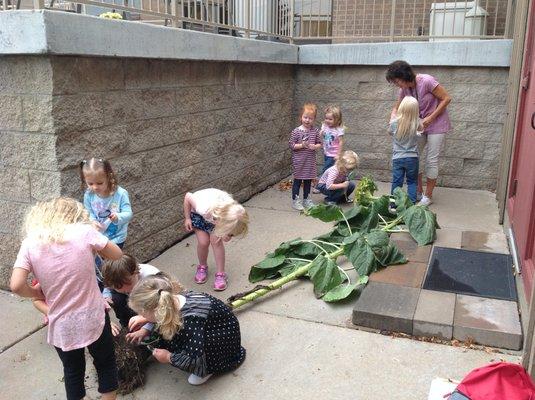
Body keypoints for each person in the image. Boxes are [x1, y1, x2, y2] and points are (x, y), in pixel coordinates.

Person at [10, 198, 123, 400]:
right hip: (93, 317)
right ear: (74, 215)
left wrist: (36, 293)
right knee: (105, 364)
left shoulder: (30, 243)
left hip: (62, 324)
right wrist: (95, 235)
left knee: (73, 373)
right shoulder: (83, 232)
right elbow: (117, 254)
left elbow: (16, 285)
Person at [128, 275, 246, 386]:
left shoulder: (189, 323)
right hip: (211, 331)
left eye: (142, 313)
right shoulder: (176, 300)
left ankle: (208, 370)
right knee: (163, 332)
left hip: (223, 346)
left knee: (191, 364)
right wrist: (146, 320)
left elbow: (194, 359)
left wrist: (169, 357)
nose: (141, 316)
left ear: (157, 310)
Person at [386, 60, 452, 206]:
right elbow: (396, 107)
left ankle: (428, 196)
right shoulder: (403, 89)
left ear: (403, 76)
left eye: (396, 80)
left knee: (431, 160)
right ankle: (418, 192)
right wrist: (392, 119)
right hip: (419, 126)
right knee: (414, 156)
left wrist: (431, 118)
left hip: (437, 124)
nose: (396, 84)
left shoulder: (427, 81)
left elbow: (446, 98)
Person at [80, 158, 133, 289]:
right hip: (98, 236)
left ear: (109, 177)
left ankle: (113, 288)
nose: (95, 187)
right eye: (90, 183)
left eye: (99, 183)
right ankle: (104, 286)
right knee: (98, 263)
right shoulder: (89, 194)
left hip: (116, 237)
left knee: (112, 264)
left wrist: (118, 216)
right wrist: (92, 221)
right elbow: (88, 211)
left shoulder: (120, 194)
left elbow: (128, 213)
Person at [183, 188, 249, 291]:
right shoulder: (202, 208)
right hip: (199, 215)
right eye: (230, 234)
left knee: (216, 242)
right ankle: (202, 266)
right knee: (203, 242)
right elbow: (188, 196)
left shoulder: (232, 212)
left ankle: (220, 274)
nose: (229, 237)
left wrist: (226, 234)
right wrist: (187, 218)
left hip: (216, 218)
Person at [101, 254, 161, 343]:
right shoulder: (118, 281)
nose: (127, 290)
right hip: (139, 298)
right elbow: (108, 287)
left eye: (129, 286)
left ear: (135, 272)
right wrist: (106, 297)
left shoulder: (152, 279)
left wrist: (146, 326)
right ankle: (128, 324)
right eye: (119, 288)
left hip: (156, 304)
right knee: (117, 298)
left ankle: (154, 330)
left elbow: (163, 308)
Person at [388, 96, 423, 204]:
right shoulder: (416, 123)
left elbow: (389, 131)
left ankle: (393, 204)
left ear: (401, 108)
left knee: (397, 182)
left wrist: (392, 117)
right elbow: (421, 129)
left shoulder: (394, 123)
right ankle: (411, 205)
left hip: (398, 158)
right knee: (412, 182)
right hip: (412, 158)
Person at [289, 102, 322, 210]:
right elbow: (292, 145)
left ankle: (307, 200)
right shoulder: (296, 131)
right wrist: (302, 145)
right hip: (299, 161)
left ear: (314, 119)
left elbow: (320, 143)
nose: (307, 120)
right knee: (298, 181)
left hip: (309, 161)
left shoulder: (315, 131)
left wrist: (315, 146)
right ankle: (295, 200)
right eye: (305, 117)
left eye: (310, 118)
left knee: (308, 181)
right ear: (301, 117)